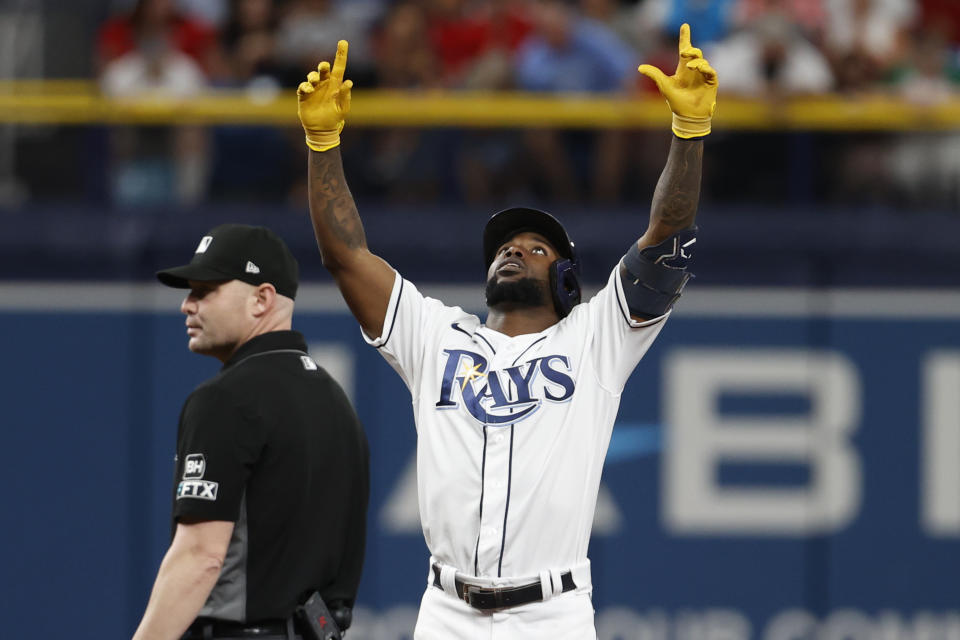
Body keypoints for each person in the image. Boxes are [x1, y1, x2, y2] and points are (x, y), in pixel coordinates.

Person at [296, 24, 716, 639]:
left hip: (552, 612)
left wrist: (688, 135)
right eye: (505, 247)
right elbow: (346, 256)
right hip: (446, 610)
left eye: (537, 247)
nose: (514, 252)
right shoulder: (436, 335)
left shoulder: (596, 337)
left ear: (569, 279)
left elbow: (666, 234)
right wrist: (323, 141)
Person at [134, 224, 370, 640]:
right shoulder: (336, 401)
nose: (187, 305)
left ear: (262, 298)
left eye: (205, 290)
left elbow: (200, 557)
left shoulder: (226, 399)